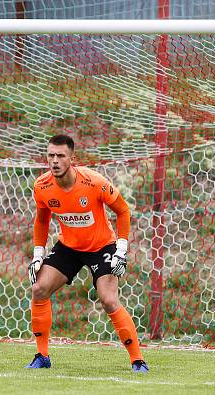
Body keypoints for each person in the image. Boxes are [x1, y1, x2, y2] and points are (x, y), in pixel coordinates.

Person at [25, 134, 149, 373]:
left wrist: (121, 250)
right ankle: (42, 356)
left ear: (72, 158)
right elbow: (41, 220)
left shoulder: (94, 182)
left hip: (102, 247)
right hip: (69, 247)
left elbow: (123, 211)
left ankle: (138, 360)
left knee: (109, 299)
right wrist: (38, 254)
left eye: (60, 155)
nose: (55, 161)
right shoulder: (42, 186)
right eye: (51, 155)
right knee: (39, 288)